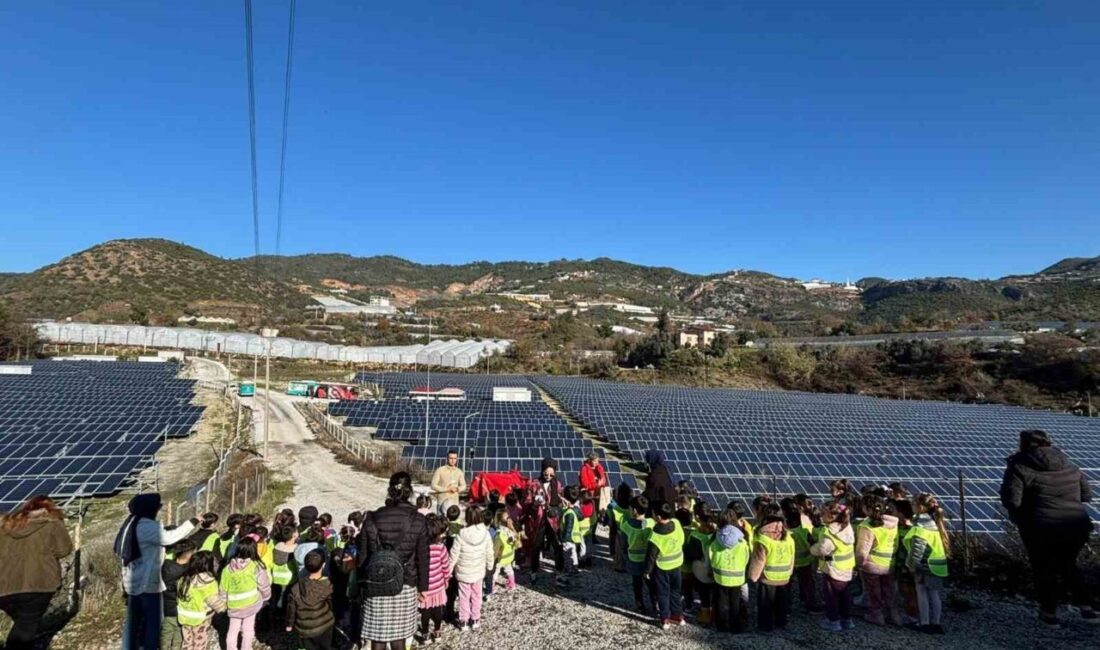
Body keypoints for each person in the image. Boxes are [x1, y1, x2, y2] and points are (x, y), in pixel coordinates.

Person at [999, 429, 1096, 627]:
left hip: (1040, 528)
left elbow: (1012, 500)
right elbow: (1086, 496)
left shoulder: (1020, 466)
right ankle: (1088, 608)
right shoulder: (1070, 466)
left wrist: (1021, 516)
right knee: (1068, 565)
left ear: (1023, 444)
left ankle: (1049, 614)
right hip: (1075, 525)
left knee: (1044, 569)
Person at [114, 493, 196, 650]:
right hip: (147, 584)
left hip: (132, 582)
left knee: (133, 623)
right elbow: (169, 538)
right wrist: (192, 522)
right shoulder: (145, 526)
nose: (158, 510)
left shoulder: (130, 523)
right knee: (153, 624)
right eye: (157, 507)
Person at [359, 471, 430, 650]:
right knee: (399, 638)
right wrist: (423, 587)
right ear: (410, 491)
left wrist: (361, 583)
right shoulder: (419, 520)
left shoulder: (372, 517)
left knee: (378, 638)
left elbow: (363, 556)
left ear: (390, 491)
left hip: (376, 581)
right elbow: (423, 557)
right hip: (405, 583)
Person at [0, 495, 74, 650]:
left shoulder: (5, 525)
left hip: (4, 586)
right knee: (26, 627)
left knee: (24, 623)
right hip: (39, 583)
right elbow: (64, 550)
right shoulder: (52, 524)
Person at [903, 494, 950, 634]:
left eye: (912, 504)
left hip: (924, 565)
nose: (911, 506)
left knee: (921, 592)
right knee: (934, 594)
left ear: (920, 507)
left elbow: (917, 549)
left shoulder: (920, 527)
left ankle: (924, 623)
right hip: (937, 564)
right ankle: (936, 623)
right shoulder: (933, 523)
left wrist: (912, 565)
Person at [810, 501, 855, 632]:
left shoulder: (829, 533)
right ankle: (847, 620)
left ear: (832, 516)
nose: (820, 516)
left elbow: (823, 549)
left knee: (831, 596)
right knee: (845, 595)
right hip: (846, 568)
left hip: (833, 570)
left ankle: (833, 621)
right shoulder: (847, 527)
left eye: (823, 513)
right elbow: (837, 551)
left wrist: (812, 548)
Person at [856, 495, 901, 626]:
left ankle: (877, 615)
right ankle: (894, 615)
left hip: (871, 565)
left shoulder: (867, 526)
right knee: (889, 591)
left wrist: (857, 565)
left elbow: (862, 550)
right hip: (889, 563)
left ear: (867, 508)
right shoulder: (893, 523)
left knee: (874, 592)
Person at [220, 535, 271, 650]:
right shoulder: (256, 566)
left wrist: (223, 602)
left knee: (232, 630)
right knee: (248, 630)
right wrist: (266, 597)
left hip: (234, 605)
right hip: (251, 604)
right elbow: (263, 585)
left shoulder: (227, 568)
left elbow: (223, 589)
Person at [449, 505, 494, 631]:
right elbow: (489, 552)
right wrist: (490, 566)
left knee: (464, 596)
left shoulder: (461, 534)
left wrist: (448, 570)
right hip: (478, 571)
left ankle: (463, 620)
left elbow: (454, 554)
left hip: (463, 571)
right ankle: (475, 619)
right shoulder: (485, 533)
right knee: (477, 595)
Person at [748, 513, 794, 633]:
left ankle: (765, 626)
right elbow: (791, 556)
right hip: (784, 576)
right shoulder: (788, 538)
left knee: (765, 603)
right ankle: (781, 622)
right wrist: (789, 572)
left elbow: (759, 560)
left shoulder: (763, 540)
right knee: (782, 602)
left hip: (767, 577)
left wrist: (753, 576)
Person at [644, 501, 685, 630]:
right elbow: (682, 539)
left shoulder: (655, 535)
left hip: (663, 567)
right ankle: (677, 616)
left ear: (659, 517)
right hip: (677, 564)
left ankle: (665, 618)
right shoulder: (676, 523)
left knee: (663, 593)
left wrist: (647, 571)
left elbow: (651, 556)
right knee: (675, 591)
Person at [176, 550, 226, 650]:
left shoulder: (183, 579)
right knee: (200, 644)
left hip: (184, 617)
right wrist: (224, 607)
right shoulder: (208, 582)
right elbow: (214, 601)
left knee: (187, 642)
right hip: (201, 619)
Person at [709, 508, 749, 634]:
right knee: (735, 601)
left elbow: (709, 556)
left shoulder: (714, 539)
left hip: (719, 576)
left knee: (721, 601)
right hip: (737, 577)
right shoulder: (742, 541)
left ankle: (722, 626)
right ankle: (736, 625)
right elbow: (747, 557)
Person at [286, 549, 335, 650]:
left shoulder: (296, 587)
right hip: (324, 624)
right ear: (323, 565)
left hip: (304, 628)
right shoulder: (327, 585)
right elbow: (331, 604)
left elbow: (291, 608)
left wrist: (289, 624)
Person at [524, 457, 564, 582]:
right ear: (542, 471)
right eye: (546, 473)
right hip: (539, 519)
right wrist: (534, 504)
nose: (548, 476)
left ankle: (559, 572)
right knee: (536, 545)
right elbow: (527, 502)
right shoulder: (534, 484)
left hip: (553, 519)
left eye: (552, 474)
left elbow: (560, 500)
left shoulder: (557, 484)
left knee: (557, 545)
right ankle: (534, 571)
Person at [783, 496, 819, 613]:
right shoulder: (804, 531)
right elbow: (812, 542)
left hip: (790, 564)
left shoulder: (786, 534)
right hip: (806, 562)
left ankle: (787, 606)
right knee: (808, 584)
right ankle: (810, 604)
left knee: (787, 585)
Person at [418, 516, 451, 646]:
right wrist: (447, 579)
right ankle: (437, 631)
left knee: (424, 613)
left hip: (424, 587)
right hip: (438, 586)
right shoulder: (441, 548)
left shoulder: (420, 548)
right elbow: (445, 566)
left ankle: (425, 634)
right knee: (438, 611)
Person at [621, 495, 656, 612]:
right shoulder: (652, 523)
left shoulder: (626, 525)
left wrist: (625, 555)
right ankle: (655, 603)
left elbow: (624, 544)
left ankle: (639, 603)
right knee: (651, 582)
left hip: (634, 559)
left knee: (637, 583)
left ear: (634, 510)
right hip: (648, 559)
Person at [161, 538, 196, 650]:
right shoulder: (187, 572)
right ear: (188, 554)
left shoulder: (165, 565)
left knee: (166, 632)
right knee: (179, 633)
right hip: (180, 608)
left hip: (166, 607)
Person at [684, 508, 715, 625]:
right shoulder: (717, 532)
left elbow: (689, 554)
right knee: (715, 591)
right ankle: (715, 612)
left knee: (704, 592)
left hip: (700, 569)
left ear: (697, 518)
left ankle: (705, 614)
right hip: (717, 567)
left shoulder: (695, 535)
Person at [558, 486, 584, 587]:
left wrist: (563, 539)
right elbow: (581, 517)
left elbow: (568, 527)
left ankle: (568, 570)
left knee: (567, 555)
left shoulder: (569, 513)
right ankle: (575, 568)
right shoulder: (575, 509)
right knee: (573, 553)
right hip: (575, 537)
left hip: (568, 538)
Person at [431, 451, 467, 515]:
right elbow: (433, 485)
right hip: (442, 502)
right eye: (451, 458)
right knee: (440, 523)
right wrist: (446, 489)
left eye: (455, 458)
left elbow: (464, 485)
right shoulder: (440, 470)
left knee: (453, 523)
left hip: (454, 503)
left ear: (457, 459)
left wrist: (457, 489)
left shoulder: (459, 472)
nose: (453, 460)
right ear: (447, 458)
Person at [607, 483, 633, 572]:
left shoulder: (615, 509)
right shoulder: (632, 508)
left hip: (620, 533)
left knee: (620, 551)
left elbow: (612, 524)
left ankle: (620, 566)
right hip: (631, 533)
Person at [492, 511, 519, 593]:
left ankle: (491, 587)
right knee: (509, 570)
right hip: (510, 555)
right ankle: (512, 584)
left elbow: (496, 547)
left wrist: (493, 557)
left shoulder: (499, 533)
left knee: (495, 572)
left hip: (501, 557)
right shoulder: (512, 530)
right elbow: (517, 543)